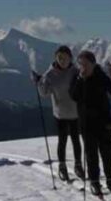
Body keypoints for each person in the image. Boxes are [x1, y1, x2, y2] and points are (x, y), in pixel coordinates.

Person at [69, 50, 111, 196]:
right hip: (87, 124)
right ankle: (94, 182)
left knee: (107, 154)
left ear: (93, 64)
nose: (83, 67)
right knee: (91, 155)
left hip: (104, 122)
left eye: (86, 64)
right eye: (81, 64)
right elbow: (73, 95)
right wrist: (80, 79)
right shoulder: (77, 78)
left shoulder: (101, 76)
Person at [33, 45, 84, 182]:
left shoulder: (75, 71)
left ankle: (78, 164)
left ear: (70, 58)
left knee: (75, 140)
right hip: (60, 113)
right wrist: (39, 83)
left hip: (74, 112)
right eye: (60, 58)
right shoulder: (50, 74)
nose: (62, 60)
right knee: (63, 141)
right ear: (56, 58)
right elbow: (44, 93)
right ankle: (63, 166)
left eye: (65, 58)